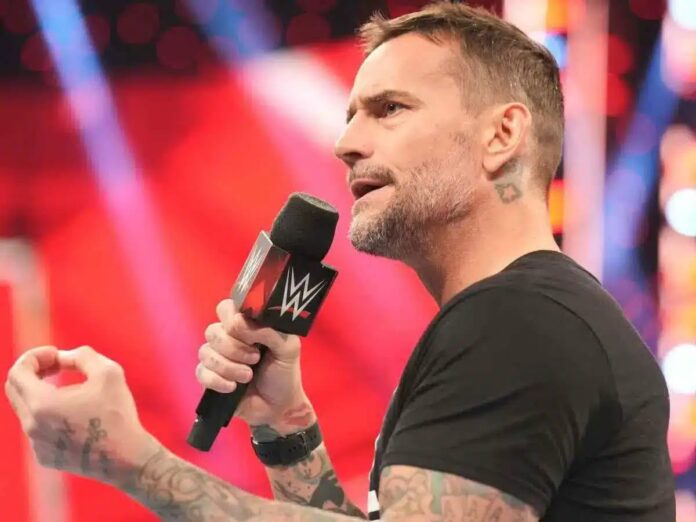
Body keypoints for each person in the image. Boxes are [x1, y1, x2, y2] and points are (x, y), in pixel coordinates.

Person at [4, 2, 675, 521]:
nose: (346, 143)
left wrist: (133, 461)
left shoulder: (518, 322)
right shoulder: (517, 316)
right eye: (352, 115)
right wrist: (284, 426)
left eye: (389, 110)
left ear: (502, 134)